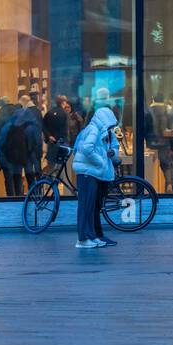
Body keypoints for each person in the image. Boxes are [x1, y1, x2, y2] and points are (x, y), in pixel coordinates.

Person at [71, 106, 120, 249]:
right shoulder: (93, 130)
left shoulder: (99, 130)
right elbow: (87, 149)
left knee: (90, 206)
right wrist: (100, 162)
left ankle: (91, 236)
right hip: (90, 172)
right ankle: (84, 238)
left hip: (94, 173)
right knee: (86, 206)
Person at [148, 93, 173, 193]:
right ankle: (168, 184)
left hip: (151, 142)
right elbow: (172, 130)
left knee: (150, 166)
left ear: (153, 99)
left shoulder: (148, 110)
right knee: (167, 165)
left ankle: (151, 189)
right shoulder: (168, 111)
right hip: (164, 142)